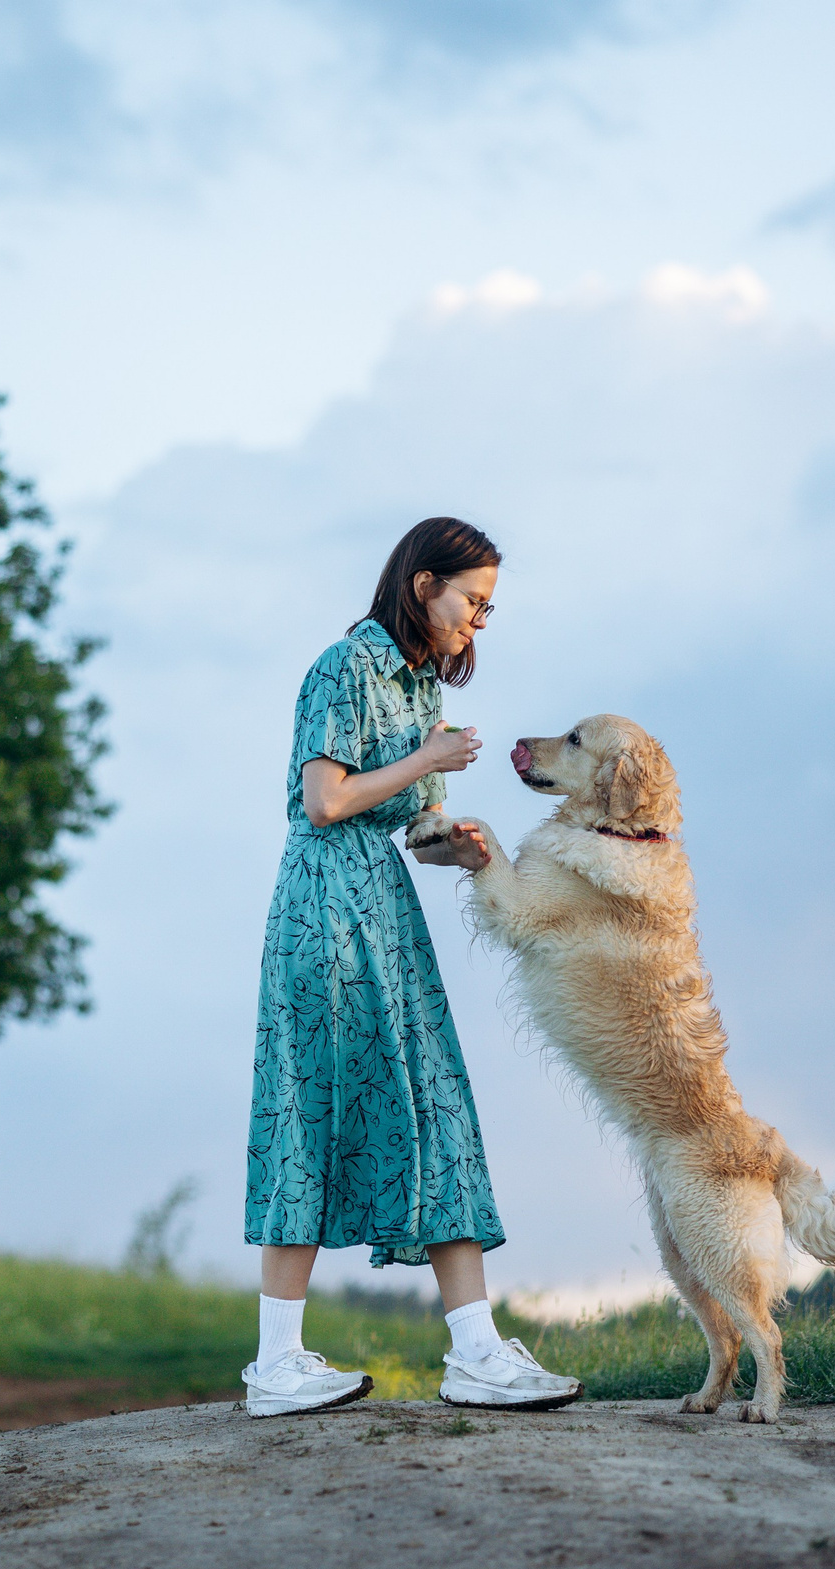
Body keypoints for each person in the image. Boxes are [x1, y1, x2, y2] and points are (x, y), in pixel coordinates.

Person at [240, 516, 583, 1417]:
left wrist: (456, 844)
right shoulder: (343, 665)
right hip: (321, 910)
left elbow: (410, 824)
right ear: (424, 583)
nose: (478, 622)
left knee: (432, 1100)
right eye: (473, 601)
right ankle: (275, 1363)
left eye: (488, 609)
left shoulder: (421, 684)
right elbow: (325, 802)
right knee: (310, 1106)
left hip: (384, 907)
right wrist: (428, 757)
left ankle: (475, 1350)